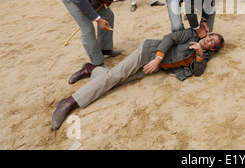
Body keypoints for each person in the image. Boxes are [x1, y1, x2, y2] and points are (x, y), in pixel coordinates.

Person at [50, 28, 225, 131]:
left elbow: (197, 72)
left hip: (155, 68)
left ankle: (92, 69)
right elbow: (169, 39)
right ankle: (69, 102)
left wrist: (200, 55)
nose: (207, 40)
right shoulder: (191, 35)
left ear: (213, 49)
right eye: (210, 37)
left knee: (116, 81)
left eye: (211, 42)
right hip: (147, 53)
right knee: (114, 76)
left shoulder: (204, 55)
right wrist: (157, 58)